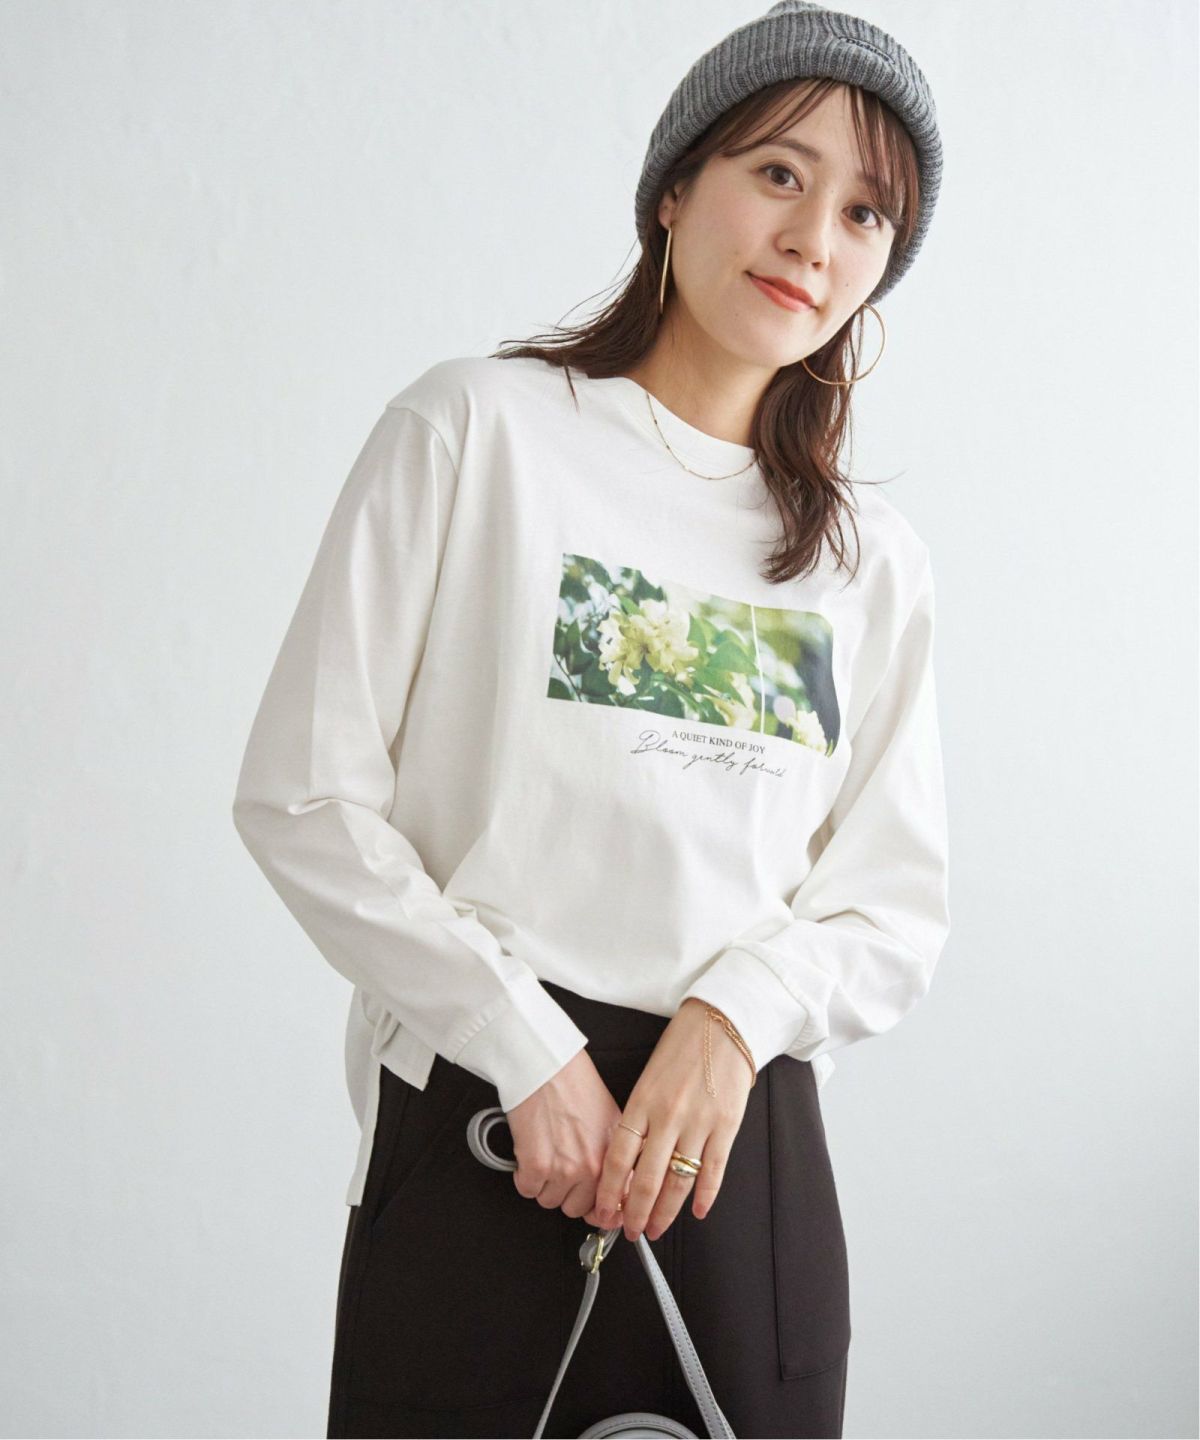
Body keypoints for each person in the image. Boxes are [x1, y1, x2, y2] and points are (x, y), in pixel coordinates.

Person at [231, 2, 951, 1435]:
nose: (814, 238)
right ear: (675, 186)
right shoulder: (477, 432)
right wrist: (522, 1040)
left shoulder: (869, 565)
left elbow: (892, 911)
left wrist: (732, 1023)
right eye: (780, 172)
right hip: (488, 1124)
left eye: (866, 212)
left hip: (736, 1158)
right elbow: (302, 797)